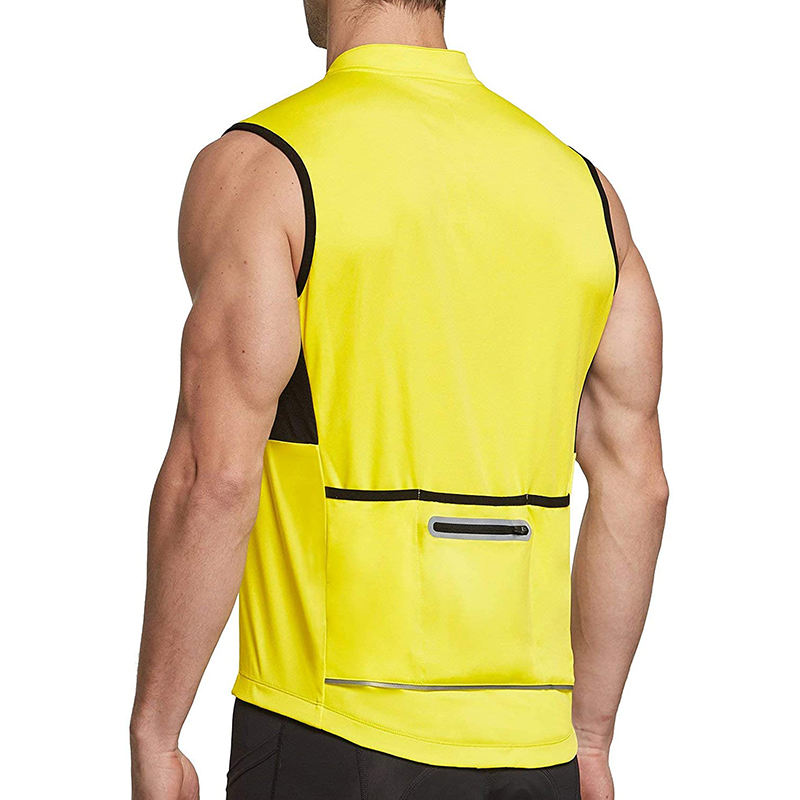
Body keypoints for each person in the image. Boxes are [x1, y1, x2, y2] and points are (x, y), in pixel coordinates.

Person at [130, 1, 668, 798]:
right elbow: (637, 484)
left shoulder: (266, 168)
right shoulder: (586, 193)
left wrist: (158, 731)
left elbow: (215, 475)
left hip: (331, 730)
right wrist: (589, 739)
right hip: (535, 748)